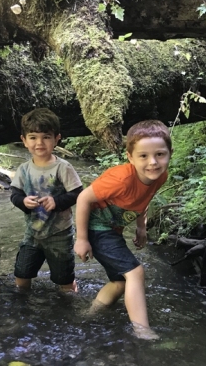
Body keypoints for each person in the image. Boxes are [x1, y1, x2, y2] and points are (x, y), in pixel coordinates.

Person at [74, 120, 172, 340]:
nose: (153, 162)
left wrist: (141, 227)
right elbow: (83, 198)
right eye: (143, 156)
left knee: (120, 282)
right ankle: (142, 330)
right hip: (95, 228)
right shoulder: (121, 179)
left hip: (112, 230)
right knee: (135, 272)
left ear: (169, 153)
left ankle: (89, 315)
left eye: (160, 154)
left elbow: (144, 199)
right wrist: (81, 239)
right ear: (130, 157)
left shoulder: (160, 177)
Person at [10, 108, 83, 292]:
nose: (39, 143)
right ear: (24, 140)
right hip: (32, 232)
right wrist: (23, 202)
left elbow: (78, 194)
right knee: (22, 273)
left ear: (57, 139)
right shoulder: (24, 169)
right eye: (33, 137)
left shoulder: (63, 167)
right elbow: (15, 194)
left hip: (59, 234)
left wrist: (57, 202)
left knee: (63, 278)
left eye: (46, 137)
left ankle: (69, 302)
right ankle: (21, 303)